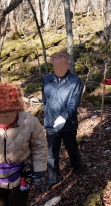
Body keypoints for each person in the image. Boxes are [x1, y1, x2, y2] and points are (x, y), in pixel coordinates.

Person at [42, 52, 83, 192]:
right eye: (56, 65)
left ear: (68, 64)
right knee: (52, 152)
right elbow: (45, 99)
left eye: (62, 65)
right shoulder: (47, 79)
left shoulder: (75, 81)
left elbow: (73, 104)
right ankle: (53, 177)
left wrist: (64, 117)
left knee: (71, 147)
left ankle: (77, 166)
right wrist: (47, 113)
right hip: (51, 124)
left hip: (68, 123)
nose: (59, 68)